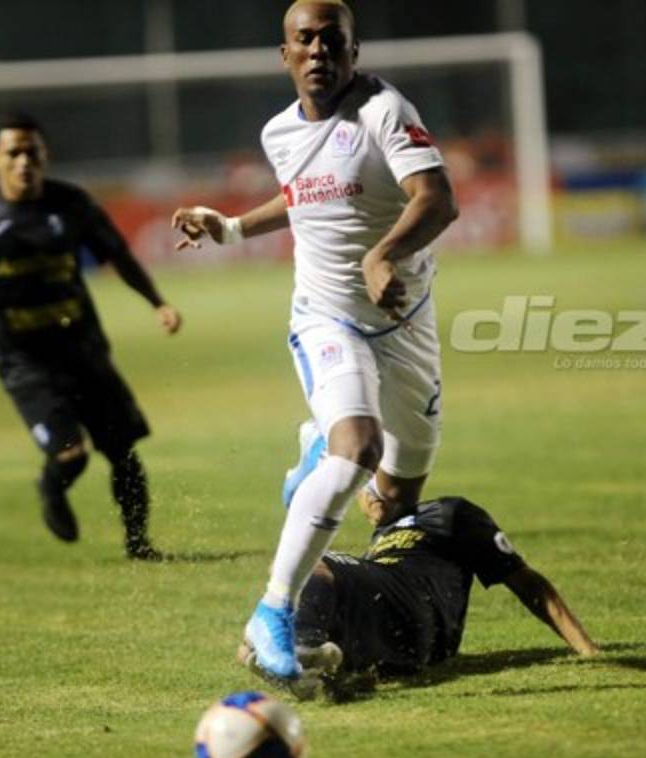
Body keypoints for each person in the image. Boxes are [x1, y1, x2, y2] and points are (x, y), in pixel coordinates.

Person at [171, 0, 459, 682]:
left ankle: (357, 618)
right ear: (286, 55)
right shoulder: (278, 132)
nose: (319, 51)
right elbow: (305, 196)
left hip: (406, 325)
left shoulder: (384, 111)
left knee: (395, 502)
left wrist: (384, 254)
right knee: (357, 447)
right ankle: (274, 611)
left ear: (354, 52)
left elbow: (438, 198)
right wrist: (232, 228)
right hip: (327, 318)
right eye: (305, 40)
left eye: (333, 40)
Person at [0, 113, 181, 559]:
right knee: (72, 454)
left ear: (45, 157)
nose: (23, 162)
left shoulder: (72, 205)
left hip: (85, 351)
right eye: (13, 153)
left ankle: (139, 545)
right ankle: (51, 484)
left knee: (122, 451)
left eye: (32, 152)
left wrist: (157, 302)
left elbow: (118, 255)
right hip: (25, 364)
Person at [238, 496, 599, 700]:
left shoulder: (448, 513)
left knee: (301, 561)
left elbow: (527, 582)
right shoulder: (379, 539)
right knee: (250, 645)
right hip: (387, 629)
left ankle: (301, 649)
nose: (372, 494)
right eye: (365, 486)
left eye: (378, 478)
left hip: (414, 613)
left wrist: (588, 650)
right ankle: (318, 672)